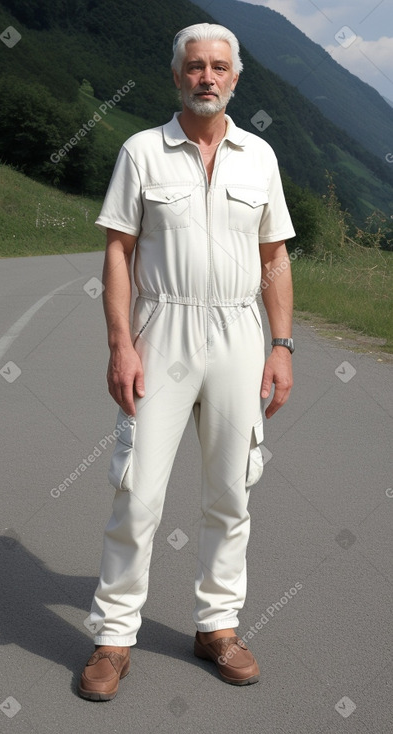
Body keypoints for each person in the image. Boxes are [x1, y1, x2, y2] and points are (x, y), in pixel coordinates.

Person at [78, 22, 295, 701]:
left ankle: (217, 627)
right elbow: (117, 251)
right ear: (176, 76)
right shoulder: (142, 152)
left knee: (230, 491)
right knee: (136, 491)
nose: (206, 76)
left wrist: (281, 346)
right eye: (194, 66)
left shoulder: (258, 157)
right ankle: (114, 637)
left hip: (238, 332)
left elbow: (274, 257)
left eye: (218, 67)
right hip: (160, 330)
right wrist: (120, 343)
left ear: (234, 79)